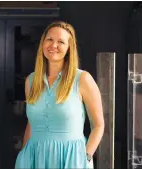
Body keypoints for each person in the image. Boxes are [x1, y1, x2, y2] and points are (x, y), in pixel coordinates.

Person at [15, 21, 105, 169]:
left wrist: (86, 157)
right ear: (43, 43)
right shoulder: (31, 81)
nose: (53, 45)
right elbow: (31, 124)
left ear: (69, 48)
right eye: (49, 39)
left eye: (61, 42)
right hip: (32, 159)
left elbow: (99, 125)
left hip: (71, 160)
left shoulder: (82, 79)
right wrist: (24, 155)